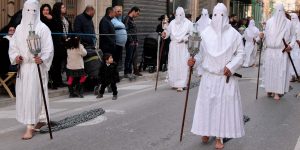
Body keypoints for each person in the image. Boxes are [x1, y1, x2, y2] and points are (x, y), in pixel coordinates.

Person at [189, 3, 245, 149]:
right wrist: (193, 62)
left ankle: (219, 137)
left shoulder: (234, 35)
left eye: (221, 15)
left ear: (226, 16)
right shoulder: (205, 34)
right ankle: (205, 131)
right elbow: (200, 55)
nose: (218, 18)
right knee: (207, 106)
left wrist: (231, 67)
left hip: (224, 78)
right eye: (215, 15)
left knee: (222, 109)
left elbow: (241, 54)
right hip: (209, 77)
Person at [8, 0, 54, 140]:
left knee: (34, 95)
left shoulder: (43, 28)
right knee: (25, 96)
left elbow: (48, 49)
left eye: (34, 11)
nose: (31, 14)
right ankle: (37, 119)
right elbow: (13, 47)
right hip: (24, 68)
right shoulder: (19, 29)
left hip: (36, 68)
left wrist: (43, 59)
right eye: (28, 10)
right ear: (24, 11)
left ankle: (30, 126)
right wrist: (16, 57)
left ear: (38, 11)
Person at [259, 4, 292, 100]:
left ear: (283, 11)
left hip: (281, 51)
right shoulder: (269, 22)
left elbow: (293, 36)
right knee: (269, 70)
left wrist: (290, 45)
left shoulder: (288, 23)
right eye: (277, 10)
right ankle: (269, 89)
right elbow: (266, 33)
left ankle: (277, 92)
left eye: (280, 11)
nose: (279, 13)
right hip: (270, 50)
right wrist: (262, 35)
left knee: (279, 72)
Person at [161, 7, 193, 92]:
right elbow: (168, 32)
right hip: (174, 46)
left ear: (183, 14)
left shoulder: (188, 23)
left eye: (180, 14)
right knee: (173, 64)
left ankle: (182, 84)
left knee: (183, 65)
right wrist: (164, 34)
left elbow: (192, 34)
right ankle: (174, 83)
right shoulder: (172, 22)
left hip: (183, 46)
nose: (178, 16)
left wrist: (185, 38)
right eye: (177, 14)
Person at [49, 2, 72, 89]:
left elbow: (69, 29)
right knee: (56, 63)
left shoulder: (65, 18)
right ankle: (55, 81)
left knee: (61, 63)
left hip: (65, 43)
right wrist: (63, 38)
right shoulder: (54, 18)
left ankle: (60, 81)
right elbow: (56, 31)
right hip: (57, 44)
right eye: (62, 7)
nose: (64, 8)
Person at [123, 6, 142, 77]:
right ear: (133, 11)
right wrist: (131, 40)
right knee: (128, 57)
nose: (138, 15)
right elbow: (126, 31)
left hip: (134, 42)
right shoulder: (127, 19)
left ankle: (130, 72)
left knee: (131, 58)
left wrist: (136, 41)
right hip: (130, 42)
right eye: (137, 13)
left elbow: (134, 31)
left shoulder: (132, 19)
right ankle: (126, 72)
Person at [195, 8, 211, 76]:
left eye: (205, 14)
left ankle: (207, 69)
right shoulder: (198, 22)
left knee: (207, 56)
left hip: (208, 42)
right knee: (199, 56)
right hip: (200, 42)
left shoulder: (211, 22)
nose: (204, 16)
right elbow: (195, 31)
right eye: (202, 14)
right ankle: (200, 70)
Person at [290, 13, 300, 82]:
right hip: (291, 47)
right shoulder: (290, 25)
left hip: (297, 46)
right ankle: (293, 75)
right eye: (291, 18)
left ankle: (298, 75)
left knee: (298, 60)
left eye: (294, 18)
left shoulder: (299, 26)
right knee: (292, 60)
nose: (292, 20)